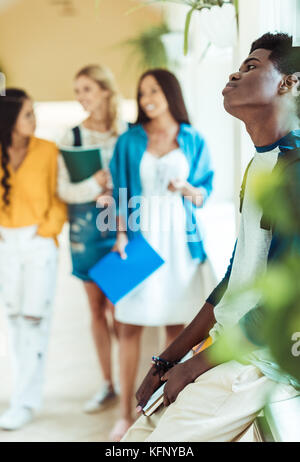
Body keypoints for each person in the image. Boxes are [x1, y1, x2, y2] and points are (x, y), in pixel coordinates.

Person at [121, 33, 300, 443]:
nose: (235, 73)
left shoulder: (295, 171)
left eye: (252, 66)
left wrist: (191, 368)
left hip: (260, 357)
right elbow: (235, 279)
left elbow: (281, 300)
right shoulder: (261, 163)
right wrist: (168, 359)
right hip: (228, 343)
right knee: (136, 435)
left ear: (291, 83)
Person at [109, 68, 215, 440]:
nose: (147, 98)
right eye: (141, 93)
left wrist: (186, 186)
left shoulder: (193, 138)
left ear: (171, 92)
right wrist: (119, 234)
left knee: (176, 332)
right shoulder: (129, 141)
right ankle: (124, 415)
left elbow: (203, 195)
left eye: (153, 90)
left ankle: (165, 413)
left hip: (180, 245)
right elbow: (118, 193)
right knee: (128, 327)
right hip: (140, 241)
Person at [58, 65, 127, 413]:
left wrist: (113, 188)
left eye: (86, 89)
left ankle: (130, 377)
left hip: (120, 230)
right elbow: (64, 190)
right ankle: (107, 383)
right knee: (96, 309)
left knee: (122, 310)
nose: (81, 97)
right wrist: (95, 184)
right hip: (85, 233)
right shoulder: (72, 137)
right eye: (77, 91)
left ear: (104, 90)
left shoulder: (127, 133)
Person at [0, 89, 66, 430]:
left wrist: (46, 229)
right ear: (10, 119)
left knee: (33, 321)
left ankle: (25, 401)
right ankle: (21, 395)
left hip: (39, 242)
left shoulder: (48, 150)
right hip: (5, 243)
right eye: (27, 114)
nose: (34, 119)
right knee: (13, 323)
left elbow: (60, 196)